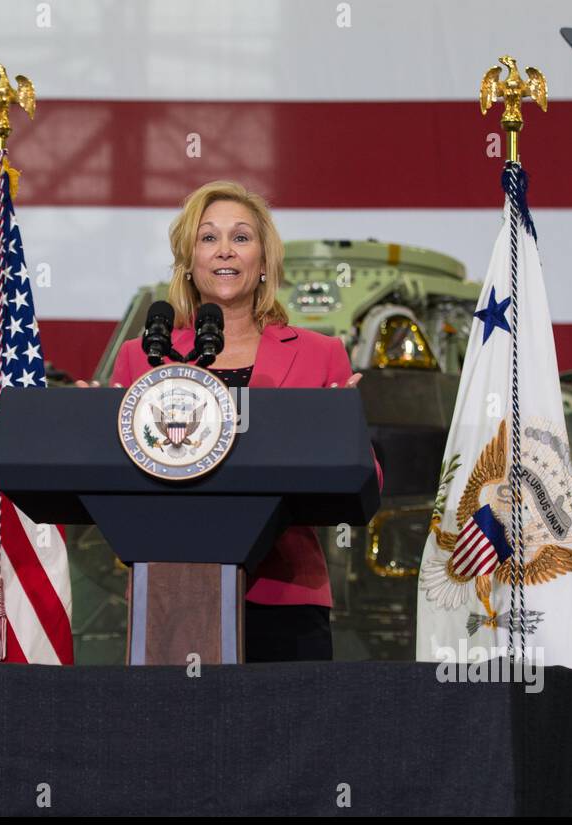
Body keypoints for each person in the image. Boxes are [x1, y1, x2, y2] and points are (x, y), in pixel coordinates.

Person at [77, 180, 383, 662]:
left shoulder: (320, 354)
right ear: (189, 261)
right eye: (208, 237)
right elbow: (117, 475)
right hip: (170, 594)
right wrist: (90, 429)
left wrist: (340, 435)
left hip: (284, 594)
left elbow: (368, 482)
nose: (225, 250)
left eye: (241, 237)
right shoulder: (143, 356)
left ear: (263, 261)